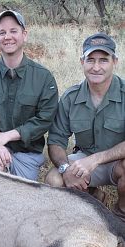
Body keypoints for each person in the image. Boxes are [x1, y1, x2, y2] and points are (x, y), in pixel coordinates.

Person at [0, 10, 58, 180]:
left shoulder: (44, 77)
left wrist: (7, 136)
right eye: (2, 32)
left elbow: (44, 119)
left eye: (13, 31)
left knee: (22, 198)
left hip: (28, 153)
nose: (7, 37)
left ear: (24, 35)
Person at [45, 32, 125, 220]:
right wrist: (65, 169)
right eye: (90, 60)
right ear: (82, 62)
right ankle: (92, 197)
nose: (96, 67)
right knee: (53, 180)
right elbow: (56, 141)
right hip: (84, 160)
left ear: (115, 61)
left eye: (103, 60)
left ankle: (120, 217)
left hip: (117, 162)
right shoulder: (71, 97)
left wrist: (96, 159)